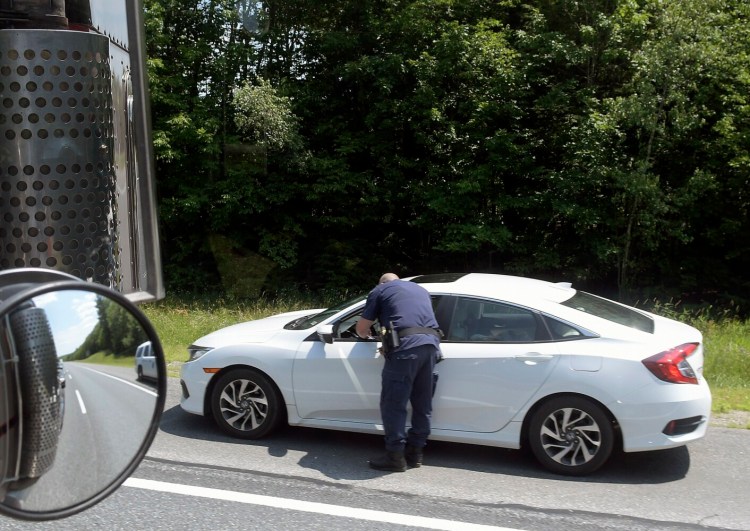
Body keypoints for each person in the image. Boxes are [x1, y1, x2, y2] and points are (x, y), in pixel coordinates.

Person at [356, 273, 442, 472]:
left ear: (381, 282)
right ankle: (416, 453)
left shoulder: (380, 290)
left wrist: (367, 334)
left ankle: (395, 457)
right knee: (423, 402)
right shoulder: (421, 290)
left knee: (393, 404)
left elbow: (361, 328)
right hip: (431, 347)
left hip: (405, 349)